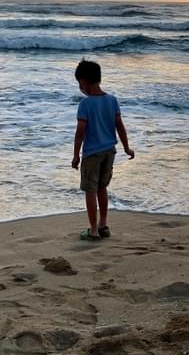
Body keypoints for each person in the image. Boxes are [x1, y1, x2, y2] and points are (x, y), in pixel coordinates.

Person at [72, 59, 135, 241]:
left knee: (90, 190)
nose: (79, 86)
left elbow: (80, 133)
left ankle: (93, 230)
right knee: (102, 188)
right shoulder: (112, 100)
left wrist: (76, 155)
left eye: (79, 83)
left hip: (92, 154)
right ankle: (103, 224)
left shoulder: (85, 104)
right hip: (110, 151)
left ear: (84, 81)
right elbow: (120, 127)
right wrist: (126, 147)